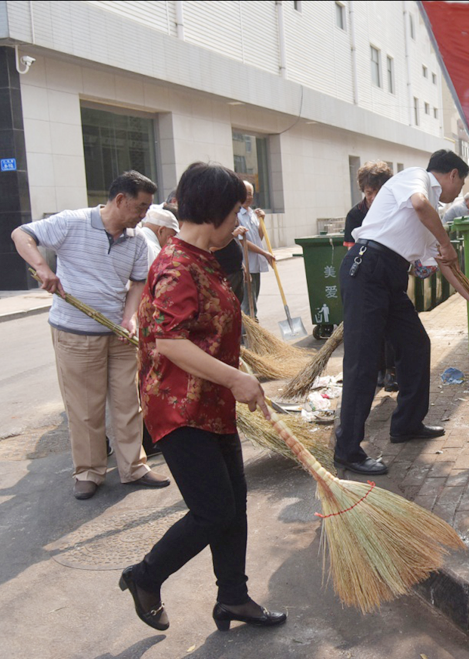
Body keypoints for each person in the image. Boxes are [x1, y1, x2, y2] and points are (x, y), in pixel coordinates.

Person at [122, 162, 286, 632]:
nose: (239, 223)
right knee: (214, 510)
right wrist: (235, 379)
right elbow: (170, 342)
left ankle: (233, 597)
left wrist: (233, 374)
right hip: (179, 410)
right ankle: (145, 576)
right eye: (236, 212)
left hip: (211, 406)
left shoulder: (203, 258)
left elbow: (207, 334)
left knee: (234, 501)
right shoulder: (175, 266)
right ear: (215, 211)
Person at [337, 150, 469, 476]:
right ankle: (347, 450)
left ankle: (407, 424)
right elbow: (421, 206)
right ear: (453, 175)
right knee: (363, 363)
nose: (458, 189)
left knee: (415, 344)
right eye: (461, 182)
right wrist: (447, 241)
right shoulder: (416, 178)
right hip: (367, 269)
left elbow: (447, 266)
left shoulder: (431, 217)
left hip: (390, 278)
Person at [11, 171, 170, 500]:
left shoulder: (138, 240)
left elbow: (138, 284)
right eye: (140, 207)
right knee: (85, 408)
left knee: (129, 404)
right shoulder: (73, 222)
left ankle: (134, 467)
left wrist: (130, 319)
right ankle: (89, 471)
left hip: (120, 335)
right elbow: (20, 234)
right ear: (120, 200)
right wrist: (43, 268)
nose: (144, 215)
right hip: (76, 334)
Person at [343, 161, 397, 391]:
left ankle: (393, 372)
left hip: (392, 276)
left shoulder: (396, 210)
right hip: (365, 279)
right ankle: (377, 370)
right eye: (369, 193)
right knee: (370, 330)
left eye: (379, 192)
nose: (374, 197)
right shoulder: (355, 215)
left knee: (392, 330)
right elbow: (351, 250)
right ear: (363, 191)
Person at [237, 181, 275, 319]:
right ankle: (246, 335)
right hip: (245, 265)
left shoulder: (252, 214)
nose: (248, 197)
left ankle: (250, 332)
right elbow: (242, 241)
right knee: (248, 306)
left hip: (255, 265)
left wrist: (262, 221)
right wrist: (264, 253)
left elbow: (258, 238)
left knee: (254, 301)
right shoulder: (236, 215)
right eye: (245, 193)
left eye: (250, 194)